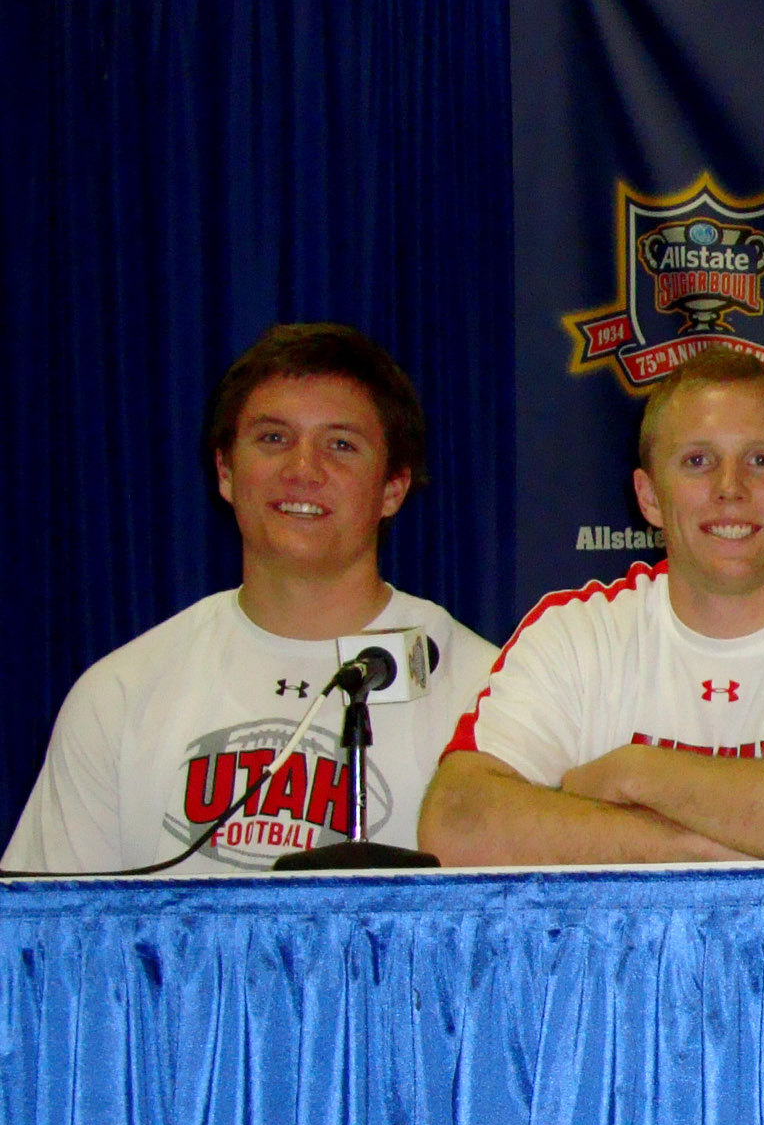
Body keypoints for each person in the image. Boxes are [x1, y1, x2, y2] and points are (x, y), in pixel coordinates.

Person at [4, 324, 498, 874]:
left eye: (341, 444)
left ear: (393, 488)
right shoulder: (120, 695)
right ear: (225, 472)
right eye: (273, 438)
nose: (303, 470)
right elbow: (52, 943)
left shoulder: (487, 692)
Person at [419, 348, 764, 864]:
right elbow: (457, 822)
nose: (730, 488)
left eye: (760, 460)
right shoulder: (575, 634)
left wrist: (634, 773)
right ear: (649, 497)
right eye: (698, 461)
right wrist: (698, 850)